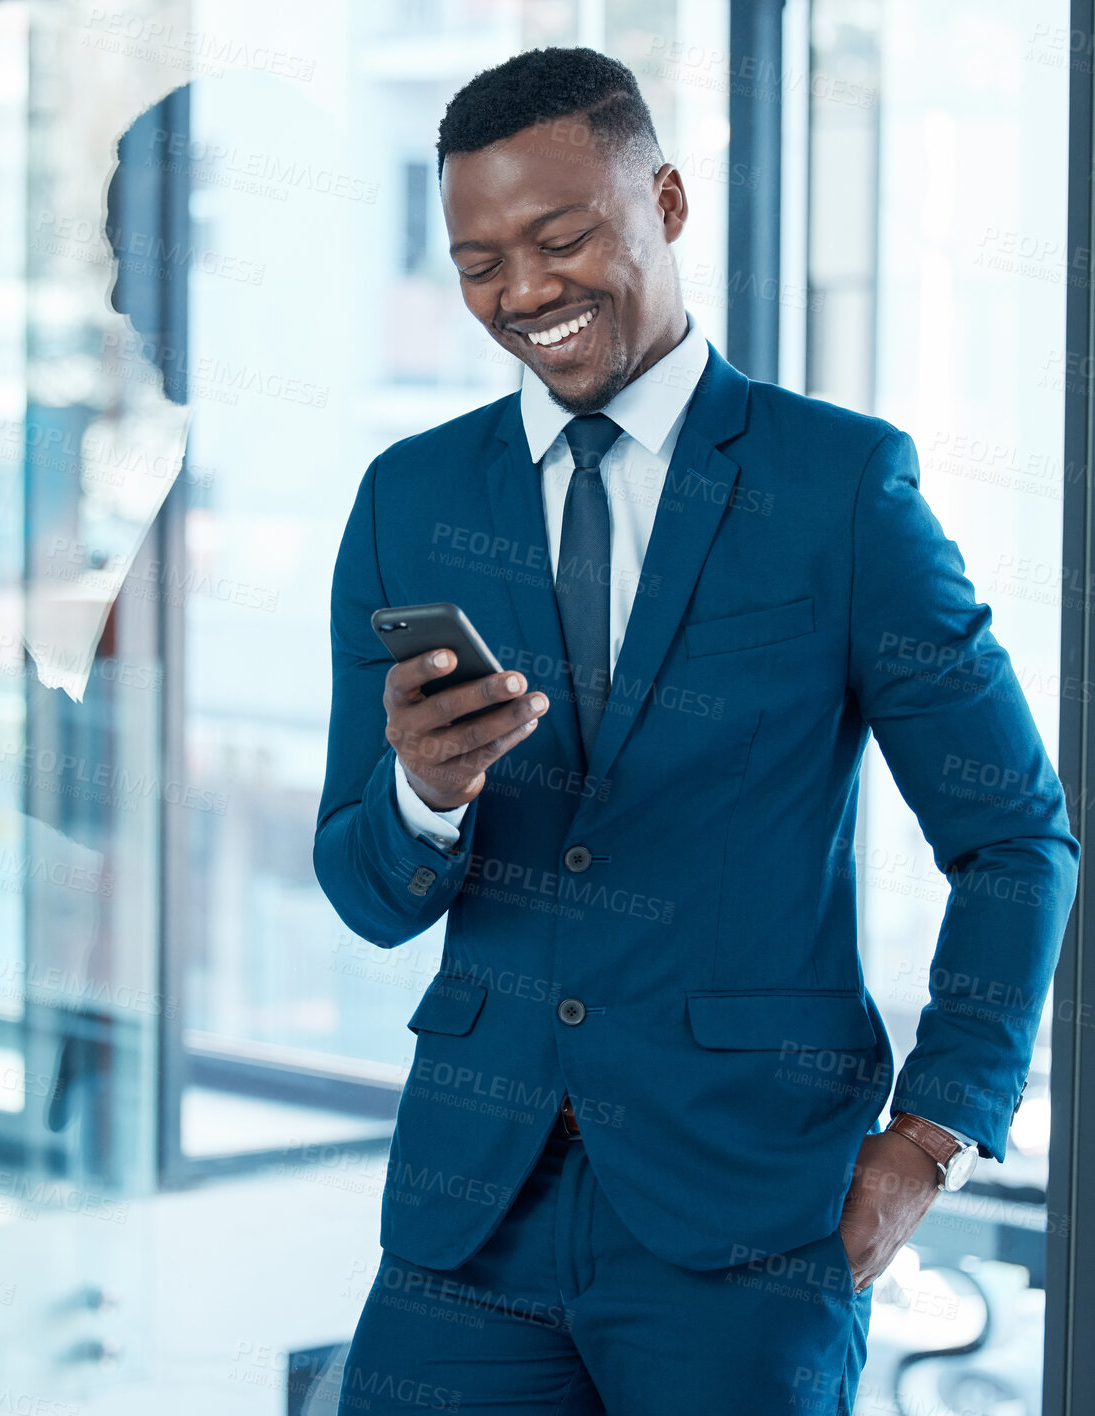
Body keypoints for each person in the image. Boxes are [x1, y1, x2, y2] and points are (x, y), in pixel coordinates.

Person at [312, 46, 1078, 1416]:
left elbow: (1016, 837)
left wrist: (932, 1140)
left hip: (751, 1220)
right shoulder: (409, 498)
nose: (525, 293)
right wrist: (424, 796)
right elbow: (364, 891)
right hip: (466, 1213)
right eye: (480, 262)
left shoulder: (838, 486)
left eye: (560, 237)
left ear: (664, 201)